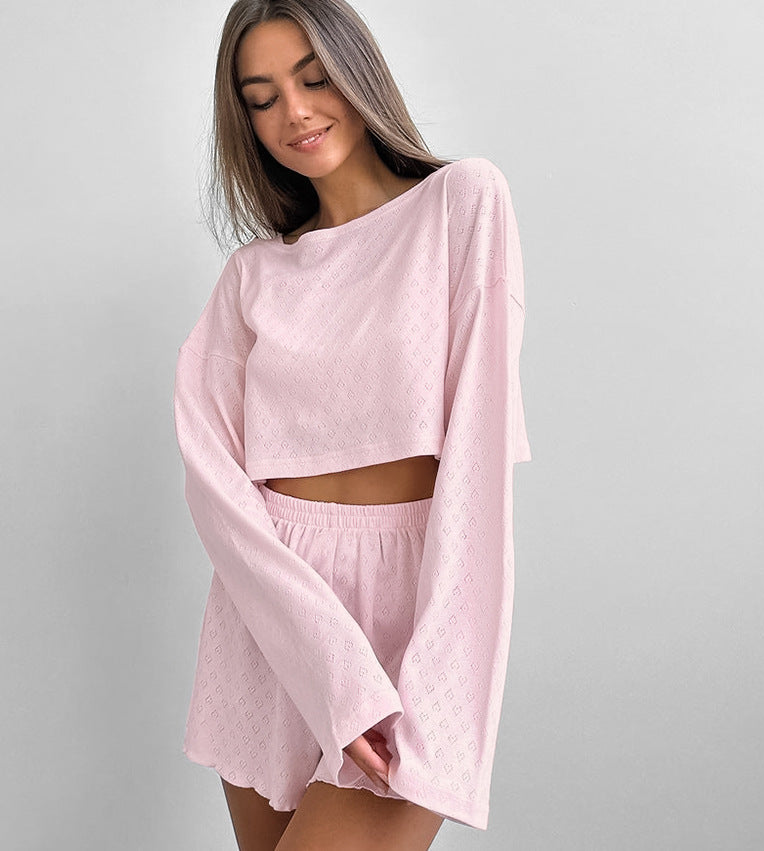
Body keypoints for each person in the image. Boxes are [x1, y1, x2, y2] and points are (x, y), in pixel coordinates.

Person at [172, 1, 532, 848]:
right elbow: (217, 487)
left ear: (356, 70)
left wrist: (433, 680)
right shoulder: (253, 276)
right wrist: (325, 665)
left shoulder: (461, 205)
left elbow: (477, 474)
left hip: (409, 620)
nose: (294, 112)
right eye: (262, 98)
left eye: (314, 78)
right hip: (272, 619)